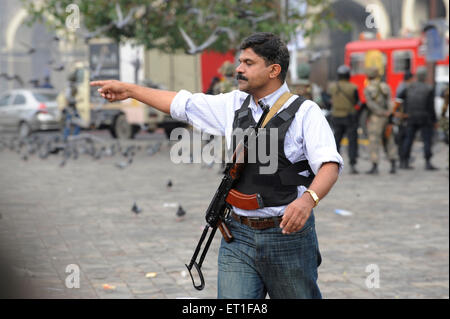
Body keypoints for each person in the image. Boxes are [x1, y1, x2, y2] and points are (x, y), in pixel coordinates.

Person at [91, 32, 343, 299]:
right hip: (238, 236)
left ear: (274, 70)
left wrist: (308, 200)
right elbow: (181, 104)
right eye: (240, 61)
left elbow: (329, 164)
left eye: (248, 62)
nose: (238, 68)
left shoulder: (306, 112)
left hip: (286, 237)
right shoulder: (232, 104)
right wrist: (130, 90)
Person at [398, 66, 437, 170]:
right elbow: (431, 107)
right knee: (427, 140)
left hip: (411, 117)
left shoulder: (409, 87)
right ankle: (427, 162)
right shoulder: (429, 88)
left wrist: (404, 112)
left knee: (409, 139)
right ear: (425, 76)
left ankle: (404, 161)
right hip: (425, 117)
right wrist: (434, 120)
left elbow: (399, 98)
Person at [364, 67, 397, 175]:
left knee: (374, 141)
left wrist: (380, 112)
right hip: (387, 118)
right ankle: (393, 164)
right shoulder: (385, 86)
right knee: (389, 139)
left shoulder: (368, 88)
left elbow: (370, 105)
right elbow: (390, 101)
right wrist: (388, 112)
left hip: (375, 118)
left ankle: (375, 165)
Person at [327, 65, 360, 174]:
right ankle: (352, 163)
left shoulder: (332, 87)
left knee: (336, 141)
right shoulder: (353, 87)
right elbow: (356, 101)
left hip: (336, 116)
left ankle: (333, 164)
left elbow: (327, 99)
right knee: (352, 141)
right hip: (349, 116)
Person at [63, 73, 81, 141]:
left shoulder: (70, 86)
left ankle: (67, 136)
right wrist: (75, 100)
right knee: (76, 122)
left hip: (71, 108)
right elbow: (68, 97)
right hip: (71, 108)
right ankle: (71, 136)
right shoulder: (70, 87)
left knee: (70, 123)